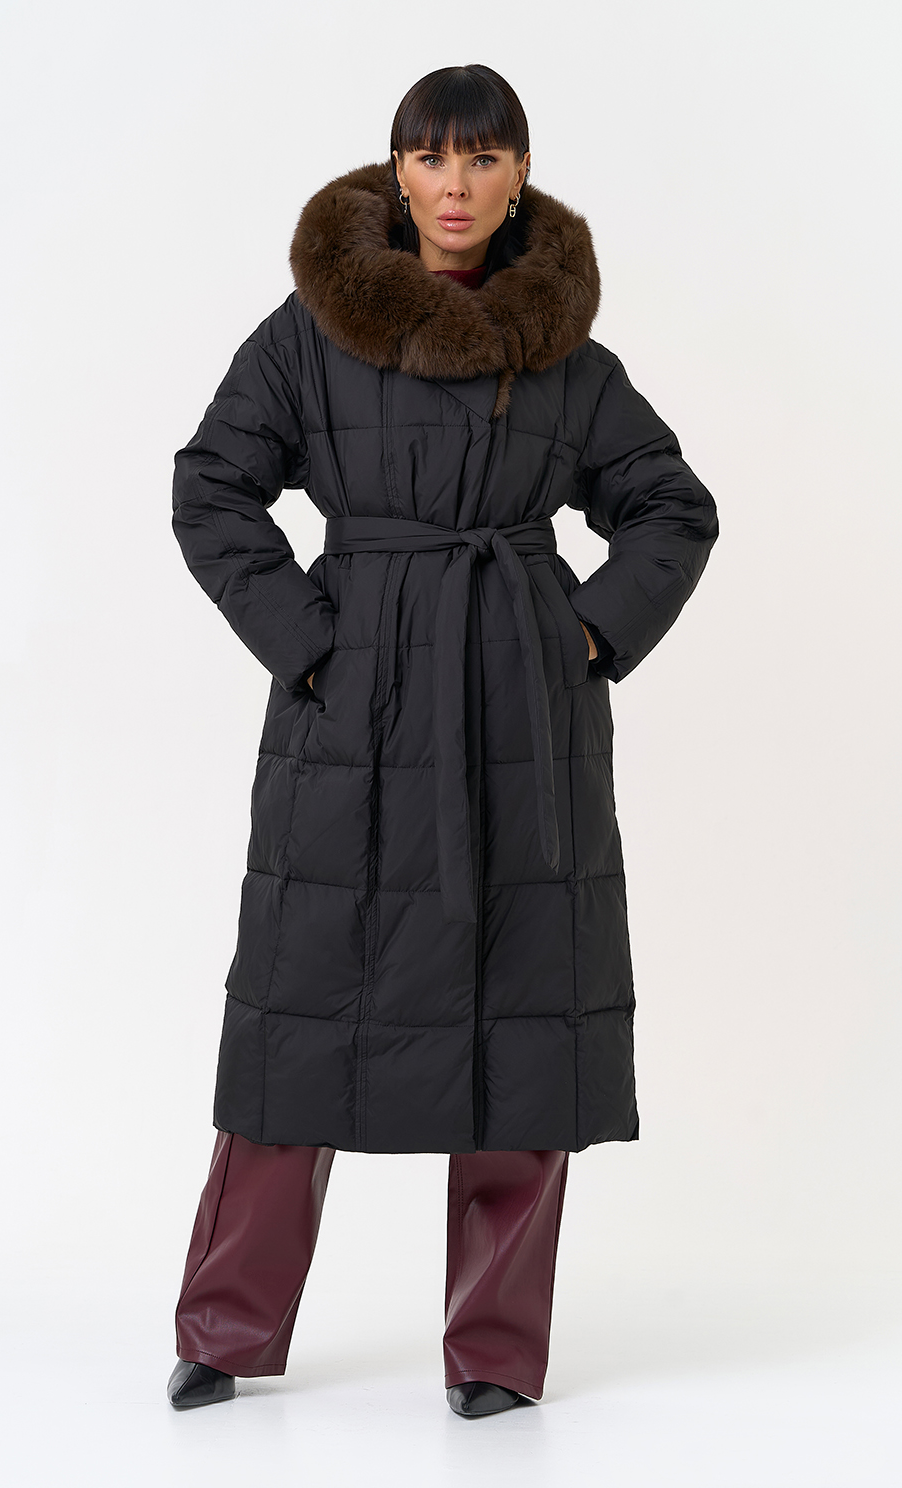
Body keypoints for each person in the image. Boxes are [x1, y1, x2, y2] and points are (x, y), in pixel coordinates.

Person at [166, 63, 718, 1418]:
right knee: (298, 1020)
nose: (455, 185)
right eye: (431, 157)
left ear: (520, 174)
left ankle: (496, 1351)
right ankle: (226, 1328)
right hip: (349, 713)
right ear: (397, 171)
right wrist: (312, 640)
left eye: (482, 158)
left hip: (520, 718)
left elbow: (671, 505)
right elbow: (214, 483)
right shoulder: (310, 334)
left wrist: (583, 635)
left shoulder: (565, 353)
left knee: (526, 1026)